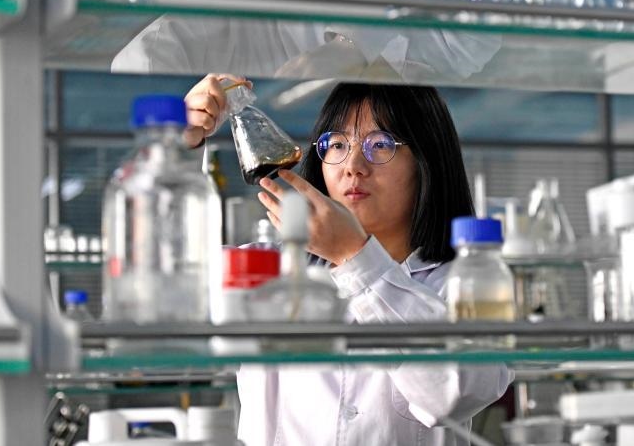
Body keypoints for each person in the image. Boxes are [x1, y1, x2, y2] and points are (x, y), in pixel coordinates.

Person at [185, 74, 513, 446]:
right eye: (337, 144)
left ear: (427, 159)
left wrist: (355, 257)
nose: (352, 166)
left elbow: (458, 393)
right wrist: (181, 146)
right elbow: (162, 279)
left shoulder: (466, 281)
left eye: (381, 144)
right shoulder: (267, 270)